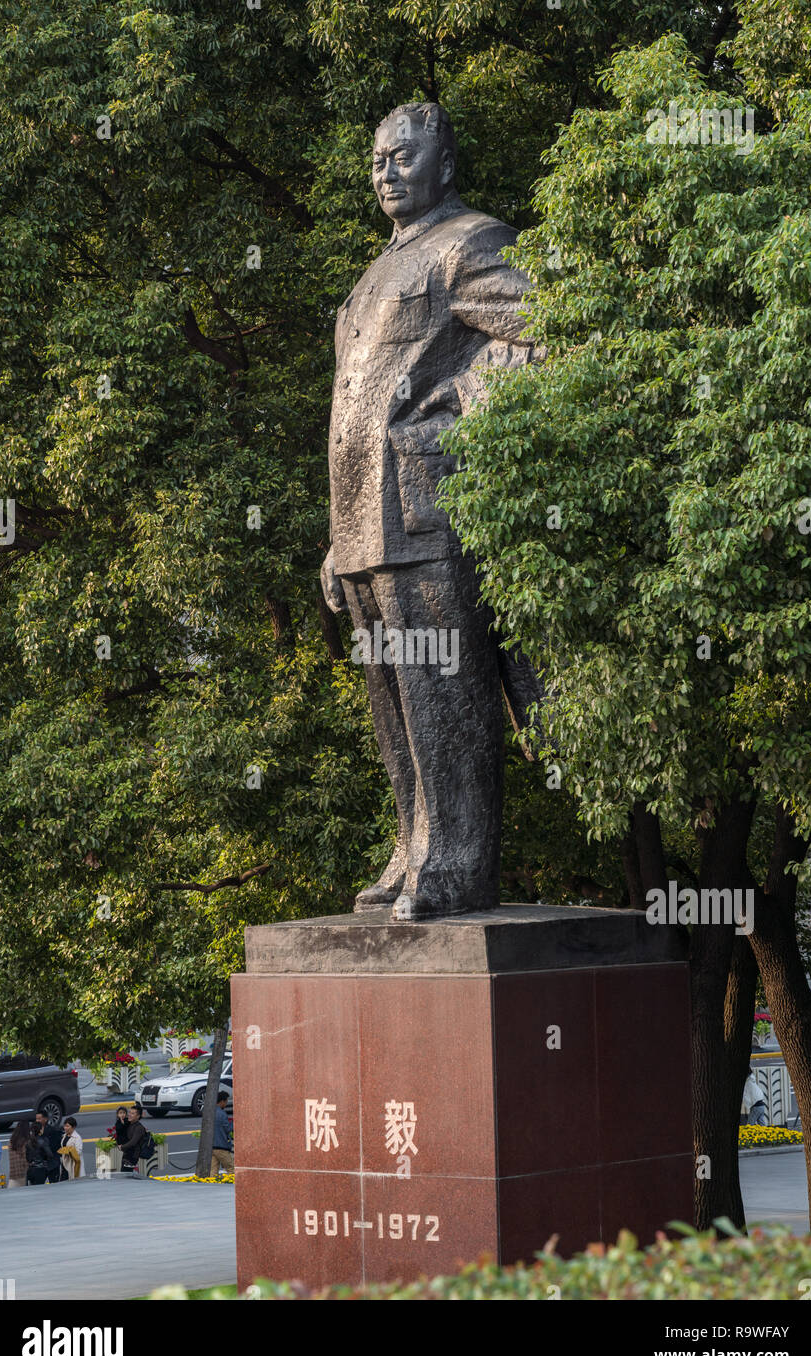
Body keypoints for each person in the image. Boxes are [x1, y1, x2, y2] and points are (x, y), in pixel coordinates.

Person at [320, 100, 543, 920]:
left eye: (402, 157)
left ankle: (455, 861)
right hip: (362, 522)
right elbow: (350, 410)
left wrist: (455, 404)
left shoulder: (470, 243)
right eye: (377, 160)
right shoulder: (375, 270)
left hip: (426, 510)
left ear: (443, 165)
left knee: (443, 688)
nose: (385, 172)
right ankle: (413, 845)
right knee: (391, 696)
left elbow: (548, 335)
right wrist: (331, 540)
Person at [35, 1111, 65, 1183]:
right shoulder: (35, 1131)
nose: (37, 1121)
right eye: (36, 1119)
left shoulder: (53, 1131)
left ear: (45, 1119)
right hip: (40, 1166)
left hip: (53, 1164)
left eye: (39, 1119)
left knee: (54, 1184)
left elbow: (57, 1146)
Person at [118, 1105, 148, 1172]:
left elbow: (133, 1142)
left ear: (138, 1116)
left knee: (127, 1177)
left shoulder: (139, 1128)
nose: (129, 1115)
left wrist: (122, 1147)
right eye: (129, 1112)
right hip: (127, 1155)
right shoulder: (130, 1124)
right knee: (125, 1176)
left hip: (133, 1157)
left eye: (132, 1113)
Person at [211, 1092, 234, 1178]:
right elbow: (228, 1129)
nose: (226, 1103)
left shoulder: (210, 1111)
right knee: (231, 1169)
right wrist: (232, 1122)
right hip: (221, 1146)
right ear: (222, 1101)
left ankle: (212, 1187)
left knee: (213, 1172)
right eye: (226, 1101)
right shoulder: (221, 1114)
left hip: (212, 1147)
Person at [8, 1118, 32, 1188]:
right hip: (22, 1173)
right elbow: (25, 1158)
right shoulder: (26, 1142)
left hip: (13, 1172)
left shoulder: (12, 1141)